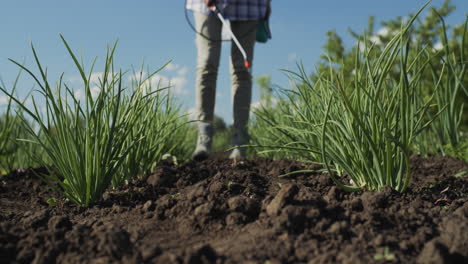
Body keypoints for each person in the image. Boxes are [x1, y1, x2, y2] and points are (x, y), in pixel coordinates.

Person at [186, 0, 270, 160]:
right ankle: (203, 138)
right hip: (207, 5)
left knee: (242, 70)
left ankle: (240, 140)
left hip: (249, 4)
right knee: (207, 64)